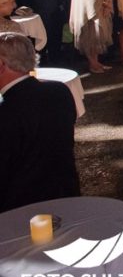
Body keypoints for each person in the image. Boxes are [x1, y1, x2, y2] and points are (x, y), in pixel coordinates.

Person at [0, 32, 81, 212]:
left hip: (20, 209)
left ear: (1, 65)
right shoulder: (60, 91)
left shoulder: (6, 111)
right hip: (66, 193)